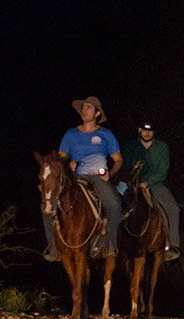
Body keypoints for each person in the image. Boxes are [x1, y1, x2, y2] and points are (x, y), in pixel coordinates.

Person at [42, 96, 123, 262]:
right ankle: (53, 248)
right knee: (46, 205)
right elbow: (60, 159)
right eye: (83, 107)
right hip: (75, 178)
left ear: (97, 113)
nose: (84, 110)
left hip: (97, 177)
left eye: (88, 108)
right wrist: (67, 164)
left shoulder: (106, 134)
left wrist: (110, 174)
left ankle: (110, 244)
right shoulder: (70, 134)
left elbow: (118, 160)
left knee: (115, 204)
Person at [120, 120, 181, 261]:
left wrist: (147, 182)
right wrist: (132, 179)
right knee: (115, 204)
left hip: (155, 185)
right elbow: (125, 166)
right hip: (132, 184)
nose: (147, 133)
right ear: (139, 130)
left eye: (150, 131)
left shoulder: (162, 147)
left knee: (173, 209)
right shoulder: (130, 147)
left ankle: (172, 245)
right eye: (144, 130)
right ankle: (111, 243)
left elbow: (163, 169)